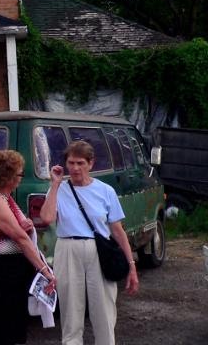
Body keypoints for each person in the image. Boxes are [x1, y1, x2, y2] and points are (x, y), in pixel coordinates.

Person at [40, 140, 139, 345]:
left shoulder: (105, 191)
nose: (75, 168)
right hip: (67, 248)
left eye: (80, 163)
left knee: (103, 310)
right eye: (71, 163)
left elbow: (118, 231)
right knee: (71, 312)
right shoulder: (59, 189)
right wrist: (55, 184)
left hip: (98, 249)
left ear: (90, 164)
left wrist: (131, 266)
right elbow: (47, 218)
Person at [0, 149, 56, 345]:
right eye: (19, 174)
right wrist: (44, 269)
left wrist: (26, 224)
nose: (21, 177)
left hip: (13, 268)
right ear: (7, 176)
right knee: (1, 326)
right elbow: (20, 238)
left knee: (15, 324)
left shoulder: (6, 196)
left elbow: (15, 228)